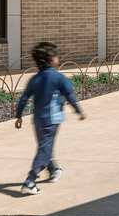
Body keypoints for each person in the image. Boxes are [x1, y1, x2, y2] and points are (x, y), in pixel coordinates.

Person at [14, 42, 85, 195]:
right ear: (53, 59)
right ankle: (30, 180)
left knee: (44, 146)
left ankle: (53, 170)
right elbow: (69, 96)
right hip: (52, 120)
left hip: (38, 120)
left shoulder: (35, 79)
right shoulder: (58, 77)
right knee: (44, 149)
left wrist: (18, 116)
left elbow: (23, 98)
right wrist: (79, 111)